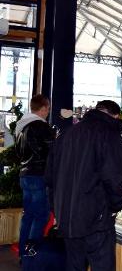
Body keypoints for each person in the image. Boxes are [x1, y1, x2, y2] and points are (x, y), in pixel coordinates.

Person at [45, 100, 122, 271]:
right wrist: (115, 207)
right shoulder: (111, 137)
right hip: (96, 219)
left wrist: (57, 209)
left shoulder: (66, 134)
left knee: (75, 266)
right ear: (115, 116)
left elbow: (50, 178)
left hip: (67, 217)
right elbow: (115, 179)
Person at [15, 94, 55, 258]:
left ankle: (23, 254)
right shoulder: (41, 126)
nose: (48, 112)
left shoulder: (21, 127)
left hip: (25, 176)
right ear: (44, 108)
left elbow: (19, 153)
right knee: (41, 215)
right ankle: (31, 253)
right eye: (48, 109)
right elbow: (52, 152)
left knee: (29, 215)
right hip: (39, 175)